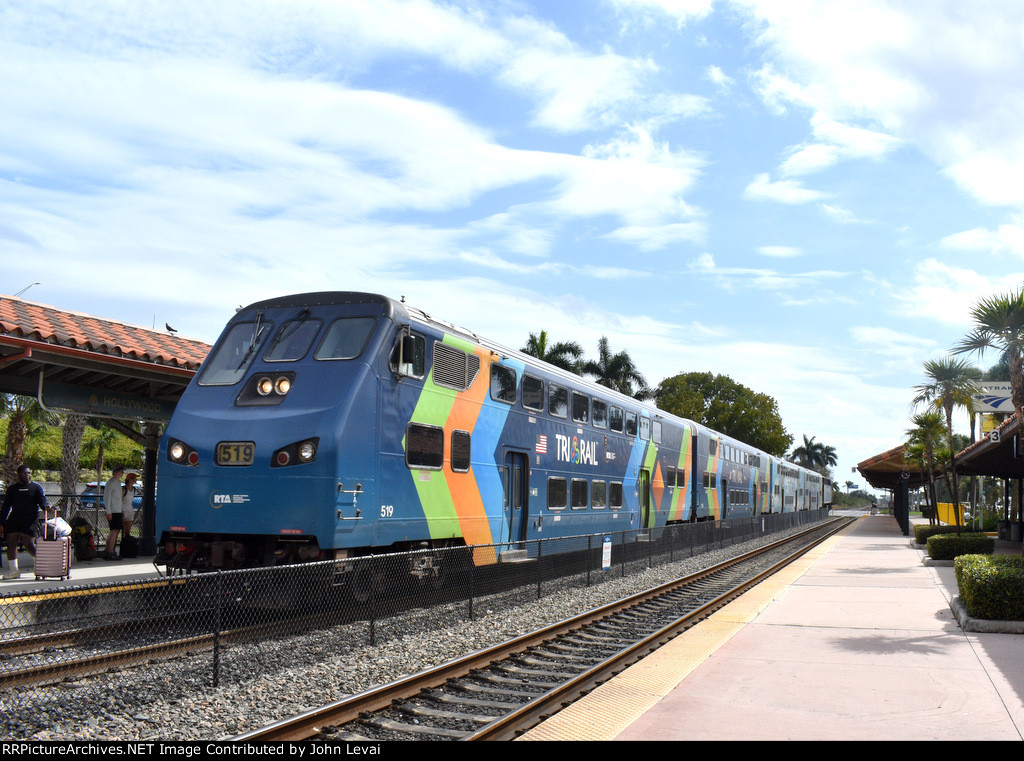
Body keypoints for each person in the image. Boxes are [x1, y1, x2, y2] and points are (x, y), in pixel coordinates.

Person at [1, 464, 47, 579]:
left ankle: (40, 566)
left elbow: (42, 501)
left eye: (28, 473)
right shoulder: (12, 489)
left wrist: (47, 507)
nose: (27, 475)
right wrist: (1, 522)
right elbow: (6, 506)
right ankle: (14, 571)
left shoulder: (35, 487)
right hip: (15, 519)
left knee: (29, 544)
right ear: (18, 474)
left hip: (30, 519)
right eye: (25, 473)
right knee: (11, 543)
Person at [103, 466, 125, 560]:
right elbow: (106, 498)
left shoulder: (118, 483)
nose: (122, 473)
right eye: (121, 471)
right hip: (113, 510)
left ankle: (108, 549)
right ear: (116, 472)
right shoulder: (110, 483)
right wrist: (109, 511)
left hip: (118, 510)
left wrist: (121, 509)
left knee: (115, 531)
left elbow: (119, 498)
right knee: (114, 531)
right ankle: (110, 551)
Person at [120, 472, 138, 552]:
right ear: (130, 479)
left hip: (130, 510)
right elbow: (120, 501)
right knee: (123, 530)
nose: (136, 480)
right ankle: (124, 548)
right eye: (134, 478)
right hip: (124, 510)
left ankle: (127, 548)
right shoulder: (124, 489)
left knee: (128, 531)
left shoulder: (134, 489)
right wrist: (121, 511)